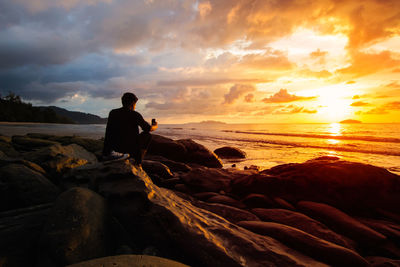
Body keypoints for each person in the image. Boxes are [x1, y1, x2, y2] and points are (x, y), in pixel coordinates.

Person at [102, 92, 158, 164]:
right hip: (129, 150)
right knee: (147, 135)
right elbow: (148, 128)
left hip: (113, 149)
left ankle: (109, 154)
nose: (135, 106)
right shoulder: (134, 114)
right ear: (133, 103)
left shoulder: (113, 113)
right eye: (135, 104)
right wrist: (155, 125)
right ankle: (138, 162)